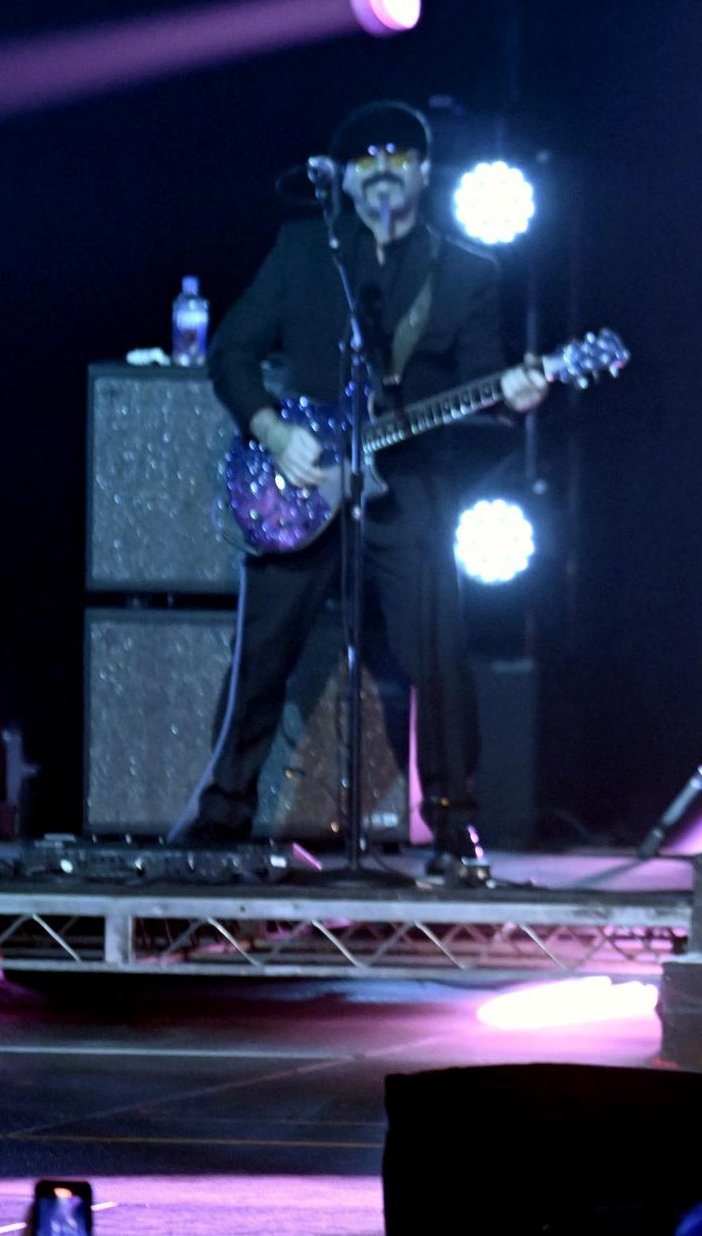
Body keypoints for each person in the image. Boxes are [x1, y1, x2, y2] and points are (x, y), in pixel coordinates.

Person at [169, 100, 546, 879]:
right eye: (365, 158)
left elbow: (480, 381)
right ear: (340, 176)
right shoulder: (305, 249)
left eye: (398, 156)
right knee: (261, 655)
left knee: (436, 654)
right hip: (300, 485)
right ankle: (222, 814)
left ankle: (452, 826)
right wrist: (276, 433)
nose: (381, 169)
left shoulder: (469, 269)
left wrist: (514, 390)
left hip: (407, 487)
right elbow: (233, 353)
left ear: (424, 171)